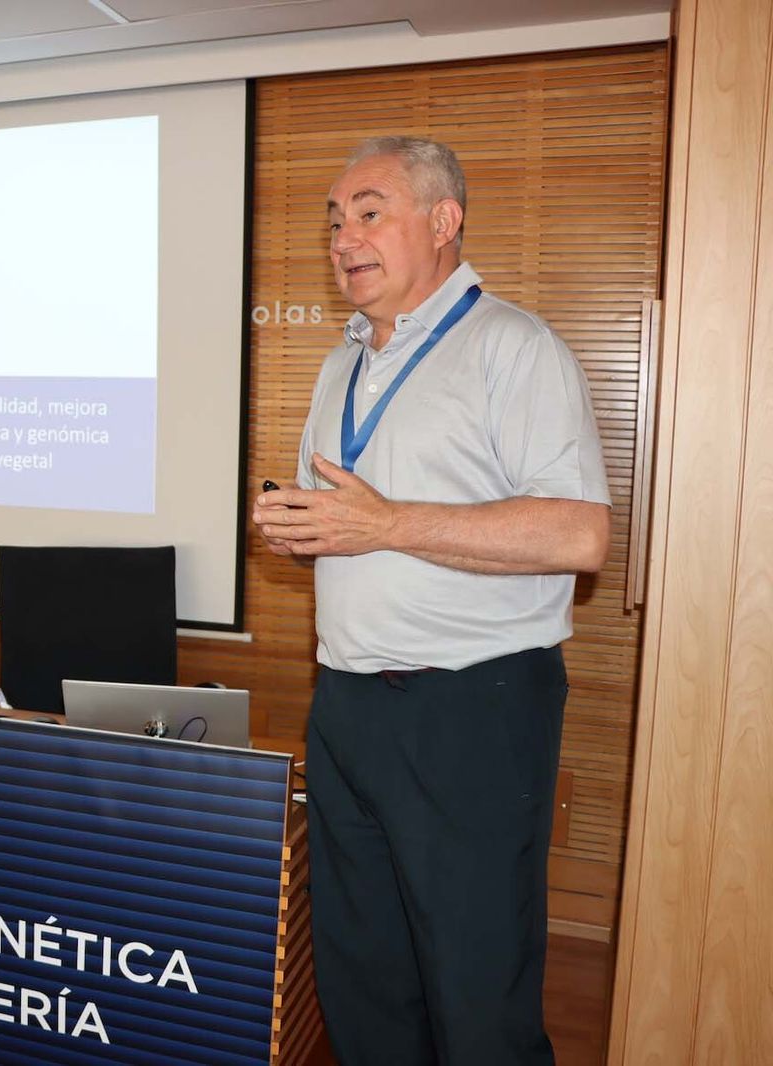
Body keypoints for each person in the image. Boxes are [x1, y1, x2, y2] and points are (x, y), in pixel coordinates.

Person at [252, 136, 610, 1065]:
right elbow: (351, 519)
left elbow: (578, 537)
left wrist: (385, 525)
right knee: (363, 979)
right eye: (335, 220)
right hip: (347, 706)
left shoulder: (513, 348)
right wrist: (301, 527)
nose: (344, 237)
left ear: (443, 222)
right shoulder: (345, 362)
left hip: (471, 711)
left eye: (369, 212)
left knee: (475, 986)